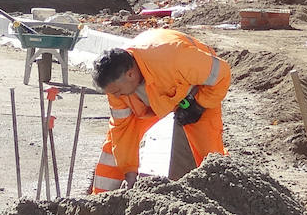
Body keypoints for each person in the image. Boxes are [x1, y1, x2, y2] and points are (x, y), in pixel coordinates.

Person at [90, 29, 232, 193]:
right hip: (155, 98)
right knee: (114, 148)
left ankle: (223, 194)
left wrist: (199, 104)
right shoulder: (117, 85)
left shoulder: (175, 58)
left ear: (130, 74)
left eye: (116, 92)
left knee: (209, 153)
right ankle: (102, 200)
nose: (115, 96)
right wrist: (129, 172)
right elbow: (122, 130)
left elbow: (222, 73)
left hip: (198, 89)